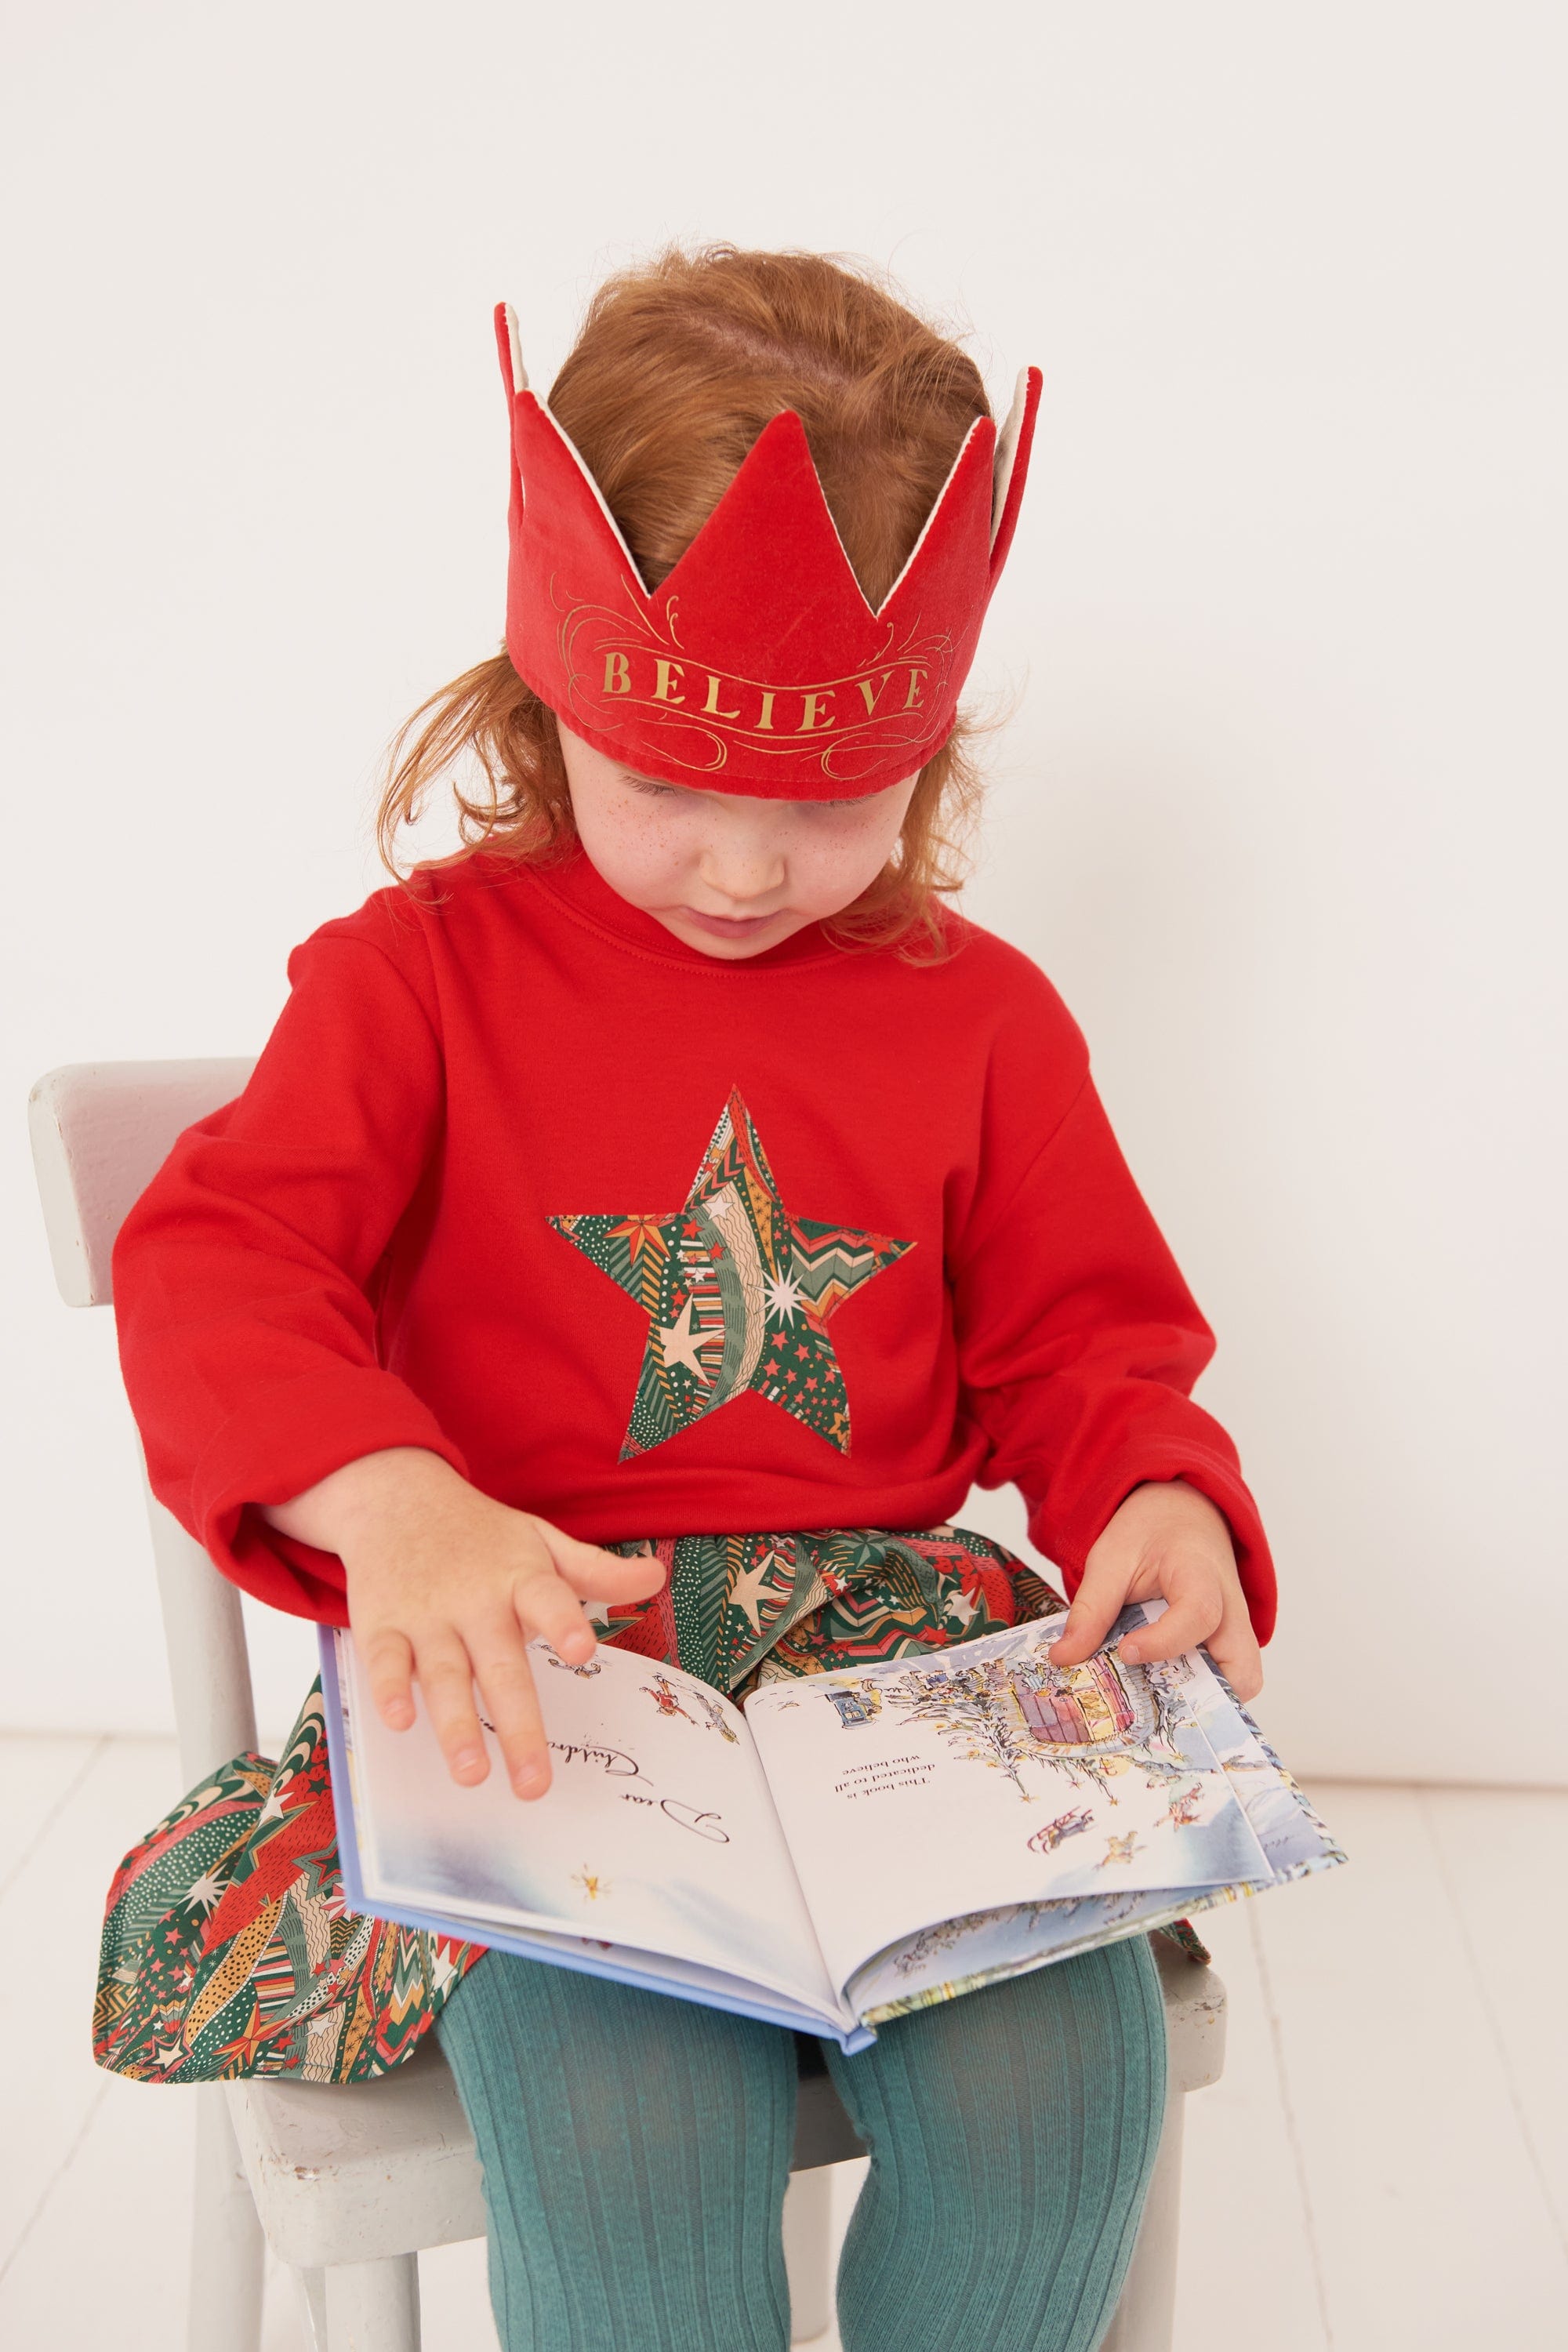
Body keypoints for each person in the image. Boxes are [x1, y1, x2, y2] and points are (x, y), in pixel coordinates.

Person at [111, 245, 1276, 2352]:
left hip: (902, 1694)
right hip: (542, 1680)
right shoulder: (416, 982)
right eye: (670, 794)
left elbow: (1087, 1340)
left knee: (1060, 2107)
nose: (749, 871)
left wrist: (1161, 1494)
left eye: (835, 808)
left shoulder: (984, 1022)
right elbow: (219, 1259)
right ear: (541, 701)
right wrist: (387, 1496)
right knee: (634, 2155)